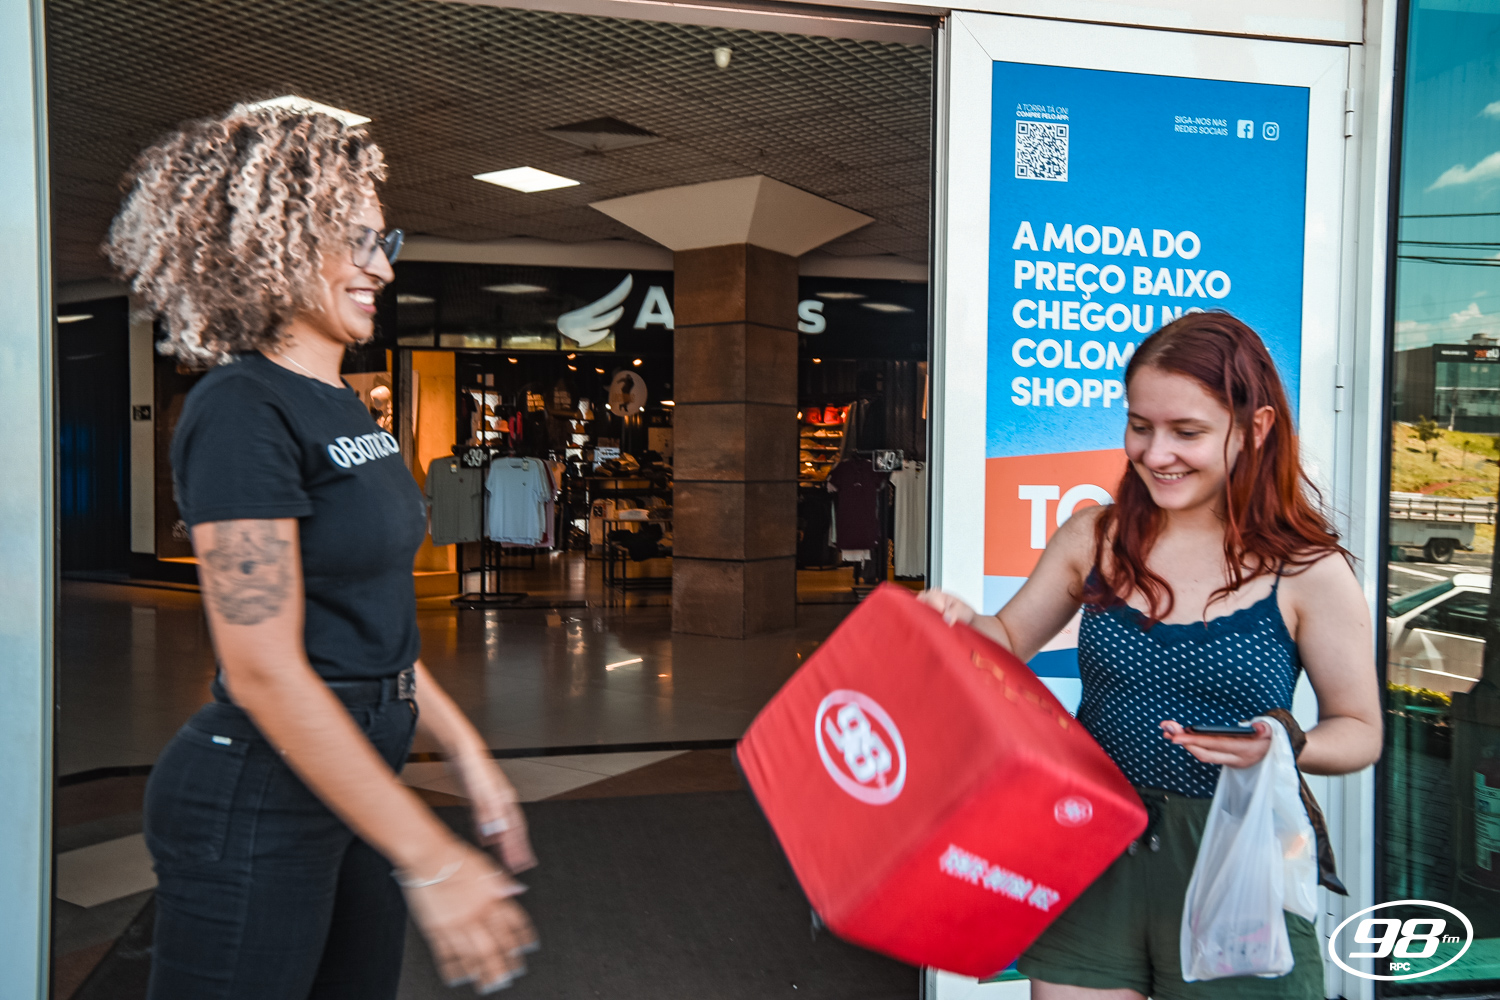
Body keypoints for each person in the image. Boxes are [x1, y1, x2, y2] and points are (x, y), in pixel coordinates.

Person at [106, 104, 536, 998]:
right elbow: (263, 669)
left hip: (353, 772)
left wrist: (464, 750)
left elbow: (369, 628)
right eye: (359, 242)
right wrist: (432, 857)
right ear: (280, 243)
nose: (384, 267)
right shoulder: (241, 407)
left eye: (386, 242)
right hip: (255, 792)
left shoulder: (346, 406)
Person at [919, 312, 1381, 1000]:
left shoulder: (1308, 569)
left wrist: (1282, 744)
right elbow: (1008, 640)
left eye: (1187, 432)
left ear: (1254, 429)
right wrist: (955, 623)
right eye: (1140, 426)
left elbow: (1361, 731)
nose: (1156, 453)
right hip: (1092, 840)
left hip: (1235, 853)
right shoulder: (1095, 536)